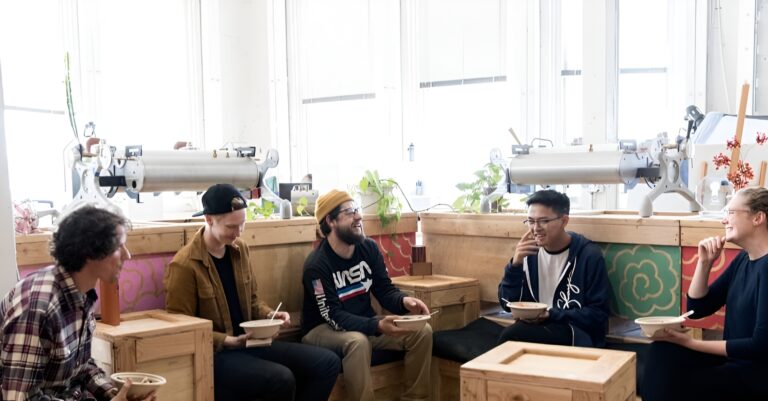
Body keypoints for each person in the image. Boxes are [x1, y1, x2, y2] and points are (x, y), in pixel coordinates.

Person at [164, 183, 340, 401]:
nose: (238, 233)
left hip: (251, 343)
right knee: (281, 378)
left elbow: (253, 301)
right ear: (209, 219)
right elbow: (182, 329)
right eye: (231, 227)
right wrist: (226, 340)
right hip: (216, 355)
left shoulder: (240, 250)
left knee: (327, 363)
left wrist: (270, 315)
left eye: (242, 224)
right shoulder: (184, 265)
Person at [0, 205, 155, 401]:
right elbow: (18, 398)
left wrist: (116, 395)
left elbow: (81, 367)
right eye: (119, 246)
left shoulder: (82, 293)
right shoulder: (38, 306)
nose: (127, 255)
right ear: (91, 252)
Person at [301, 190, 432, 401]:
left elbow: (384, 290)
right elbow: (332, 315)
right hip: (321, 329)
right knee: (358, 342)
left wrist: (404, 301)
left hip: (363, 322)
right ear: (330, 221)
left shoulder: (368, 248)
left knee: (421, 332)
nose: (359, 216)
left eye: (357, 209)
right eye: (349, 212)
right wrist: (376, 325)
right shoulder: (316, 267)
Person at [641, 187, 768, 401]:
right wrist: (704, 263)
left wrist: (689, 343)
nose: (724, 220)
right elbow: (697, 309)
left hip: (756, 375)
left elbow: (760, 345)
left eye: (731, 213)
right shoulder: (743, 259)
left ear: (758, 218)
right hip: (734, 364)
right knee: (662, 352)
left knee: (678, 381)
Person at [498, 189, 610, 347]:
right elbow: (507, 304)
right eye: (531, 221)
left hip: (575, 332)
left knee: (512, 336)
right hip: (536, 327)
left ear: (564, 221)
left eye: (543, 221)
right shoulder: (529, 253)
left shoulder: (588, 256)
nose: (535, 228)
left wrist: (551, 314)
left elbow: (598, 315)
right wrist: (514, 266)